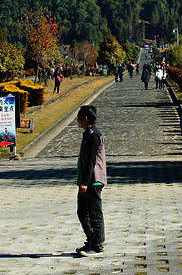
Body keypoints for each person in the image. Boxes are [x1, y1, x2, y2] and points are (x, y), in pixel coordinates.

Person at [74, 104, 106, 258]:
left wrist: (85, 183)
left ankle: (97, 245)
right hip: (86, 179)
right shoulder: (88, 133)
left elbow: (91, 161)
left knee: (94, 213)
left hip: (93, 181)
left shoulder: (93, 135)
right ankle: (92, 239)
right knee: (82, 212)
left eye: (79, 118)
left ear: (85, 119)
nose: (77, 121)